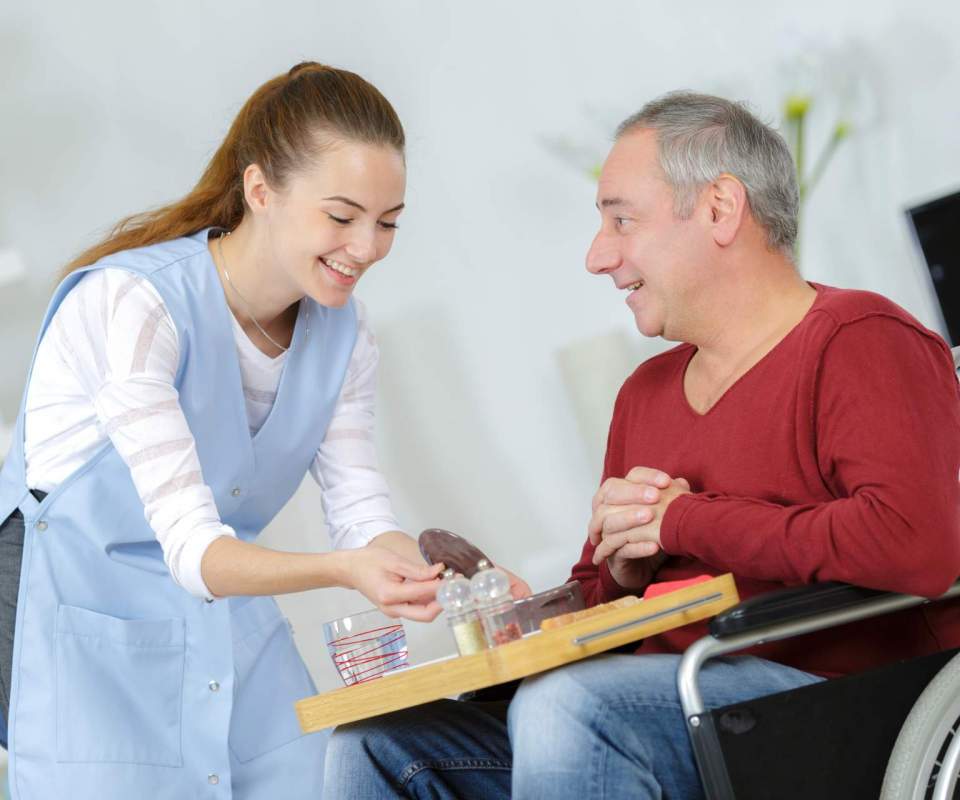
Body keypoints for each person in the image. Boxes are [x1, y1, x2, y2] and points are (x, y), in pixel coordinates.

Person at [321, 91, 960, 799]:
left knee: (572, 707)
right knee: (374, 746)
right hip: (665, 714)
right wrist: (547, 608)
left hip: (832, 709)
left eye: (621, 220)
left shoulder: (859, 338)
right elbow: (608, 595)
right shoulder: (646, 393)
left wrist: (685, 520)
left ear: (720, 208)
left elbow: (914, 545)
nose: (598, 257)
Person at [0, 62, 527, 800]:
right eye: (342, 217)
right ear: (260, 191)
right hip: (91, 643)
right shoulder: (132, 305)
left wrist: (468, 589)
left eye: (389, 222)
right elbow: (193, 549)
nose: (368, 247)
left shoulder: (343, 336)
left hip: (229, 630)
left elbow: (361, 518)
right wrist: (346, 572)